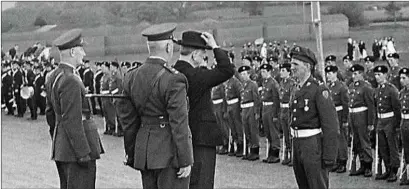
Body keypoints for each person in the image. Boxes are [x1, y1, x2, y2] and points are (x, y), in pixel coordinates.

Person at [116, 23, 193, 189]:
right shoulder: (174, 79)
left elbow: (128, 121)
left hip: (145, 153)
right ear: (168, 47)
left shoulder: (131, 76)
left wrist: (132, 153)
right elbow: (179, 122)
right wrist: (185, 159)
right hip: (170, 153)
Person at [173, 30, 234, 189]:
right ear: (194, 55)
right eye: (202, 55)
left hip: (177, 139)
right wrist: (215, 46)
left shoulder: (171, 73)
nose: (202, 59)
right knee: (202, 183)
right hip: (201, 140)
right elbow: (227, 69)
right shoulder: (197, 76)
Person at [45, 28, 104, 189]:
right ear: (72, 51)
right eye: (81, 49)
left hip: (63, 148)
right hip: (75, 152)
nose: (84, 54)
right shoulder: (71, 80)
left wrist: (59, 139)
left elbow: (50, 114)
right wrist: (83, 152)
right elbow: (73, 120)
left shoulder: (53, 76)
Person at [289, 45, 339, 189]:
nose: (292, 67)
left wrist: (329, 157)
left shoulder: (319, 90)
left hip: (313, 146)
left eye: (295, 64)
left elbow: (331, 126)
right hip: (297, 144)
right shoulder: (296, 88)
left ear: (307, 66)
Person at [373, 65, 401, 182]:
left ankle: (394, 170)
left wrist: (396, 124)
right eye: (375, 75)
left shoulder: (391, 89)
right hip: (381, 121)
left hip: (390, 121)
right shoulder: (378, 90)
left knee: (392, 146)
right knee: (382, 147)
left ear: (385, 75)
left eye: (379, 75)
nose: (377, 77)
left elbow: (397, 108)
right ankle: (388, 168)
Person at [348, 64, 375, 177]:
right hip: (353, 116)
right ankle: (362, 164)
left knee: (364, 142)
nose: (353, 76)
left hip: (362, 116)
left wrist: (370, 123)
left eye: (355, 74)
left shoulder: (366, 87)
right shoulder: (351, 86)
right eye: (352, 74)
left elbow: (371, 106)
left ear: (361, 74)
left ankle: (368, 165)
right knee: (357, 142)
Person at [325, 65, 349, 173]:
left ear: (335, 73)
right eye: (327, 73)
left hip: (339, 114)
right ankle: (335, 160)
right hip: (331, 115)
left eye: (330, 73)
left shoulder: (342, 87)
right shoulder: (328, 87)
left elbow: (345, 104)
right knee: (333, 138)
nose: (327, 75)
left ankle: (342, 161)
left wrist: (345, 119)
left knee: (341, 139)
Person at [259, 63, 281, 163]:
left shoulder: (273, 83)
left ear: (269, 72)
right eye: (261, 72)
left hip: (271, 108)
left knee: (273, 131)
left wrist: (276, 114)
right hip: (265, 108)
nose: (262, 73)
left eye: (264, 72)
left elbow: (276, 99)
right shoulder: (265, 82)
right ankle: (270, 154)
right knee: (267, 131)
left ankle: (275, 153)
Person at [278, 62, 296, 166]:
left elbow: (292, 98)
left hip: (289, 110)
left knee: (290, 134)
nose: (281, 72)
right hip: (282, 110)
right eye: (280, 70)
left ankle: (293, 156)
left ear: (289, 72)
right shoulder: (281, 83)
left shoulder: (291, 83)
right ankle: (287, 154)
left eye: (283, 70)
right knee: (285, 133)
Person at [224, 75, 244, 157]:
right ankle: (235, 144)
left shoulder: (235, 82)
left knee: (237, 126)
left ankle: (240, 145)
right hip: (229, 105)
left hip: (235, 104)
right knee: (232, 126)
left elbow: (240, 93)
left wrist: (240, 106)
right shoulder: (227, 82)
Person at [398, 67, 409, 185]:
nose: (401, 80)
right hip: (404, 124)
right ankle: (406, 175)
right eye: (400, 78)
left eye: (404, 78)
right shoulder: (401, 93)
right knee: (406, 151)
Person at [100, 61, 116, 135]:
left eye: (103, 67)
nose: (101, 69)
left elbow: (111, 88)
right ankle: (108, 127)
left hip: (107, 97)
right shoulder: (103, 76)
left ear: (107, 68)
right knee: (105, 113)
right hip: (103, 97)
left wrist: (105, 92)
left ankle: (112, 127)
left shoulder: (110, 76)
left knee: (110, 113)